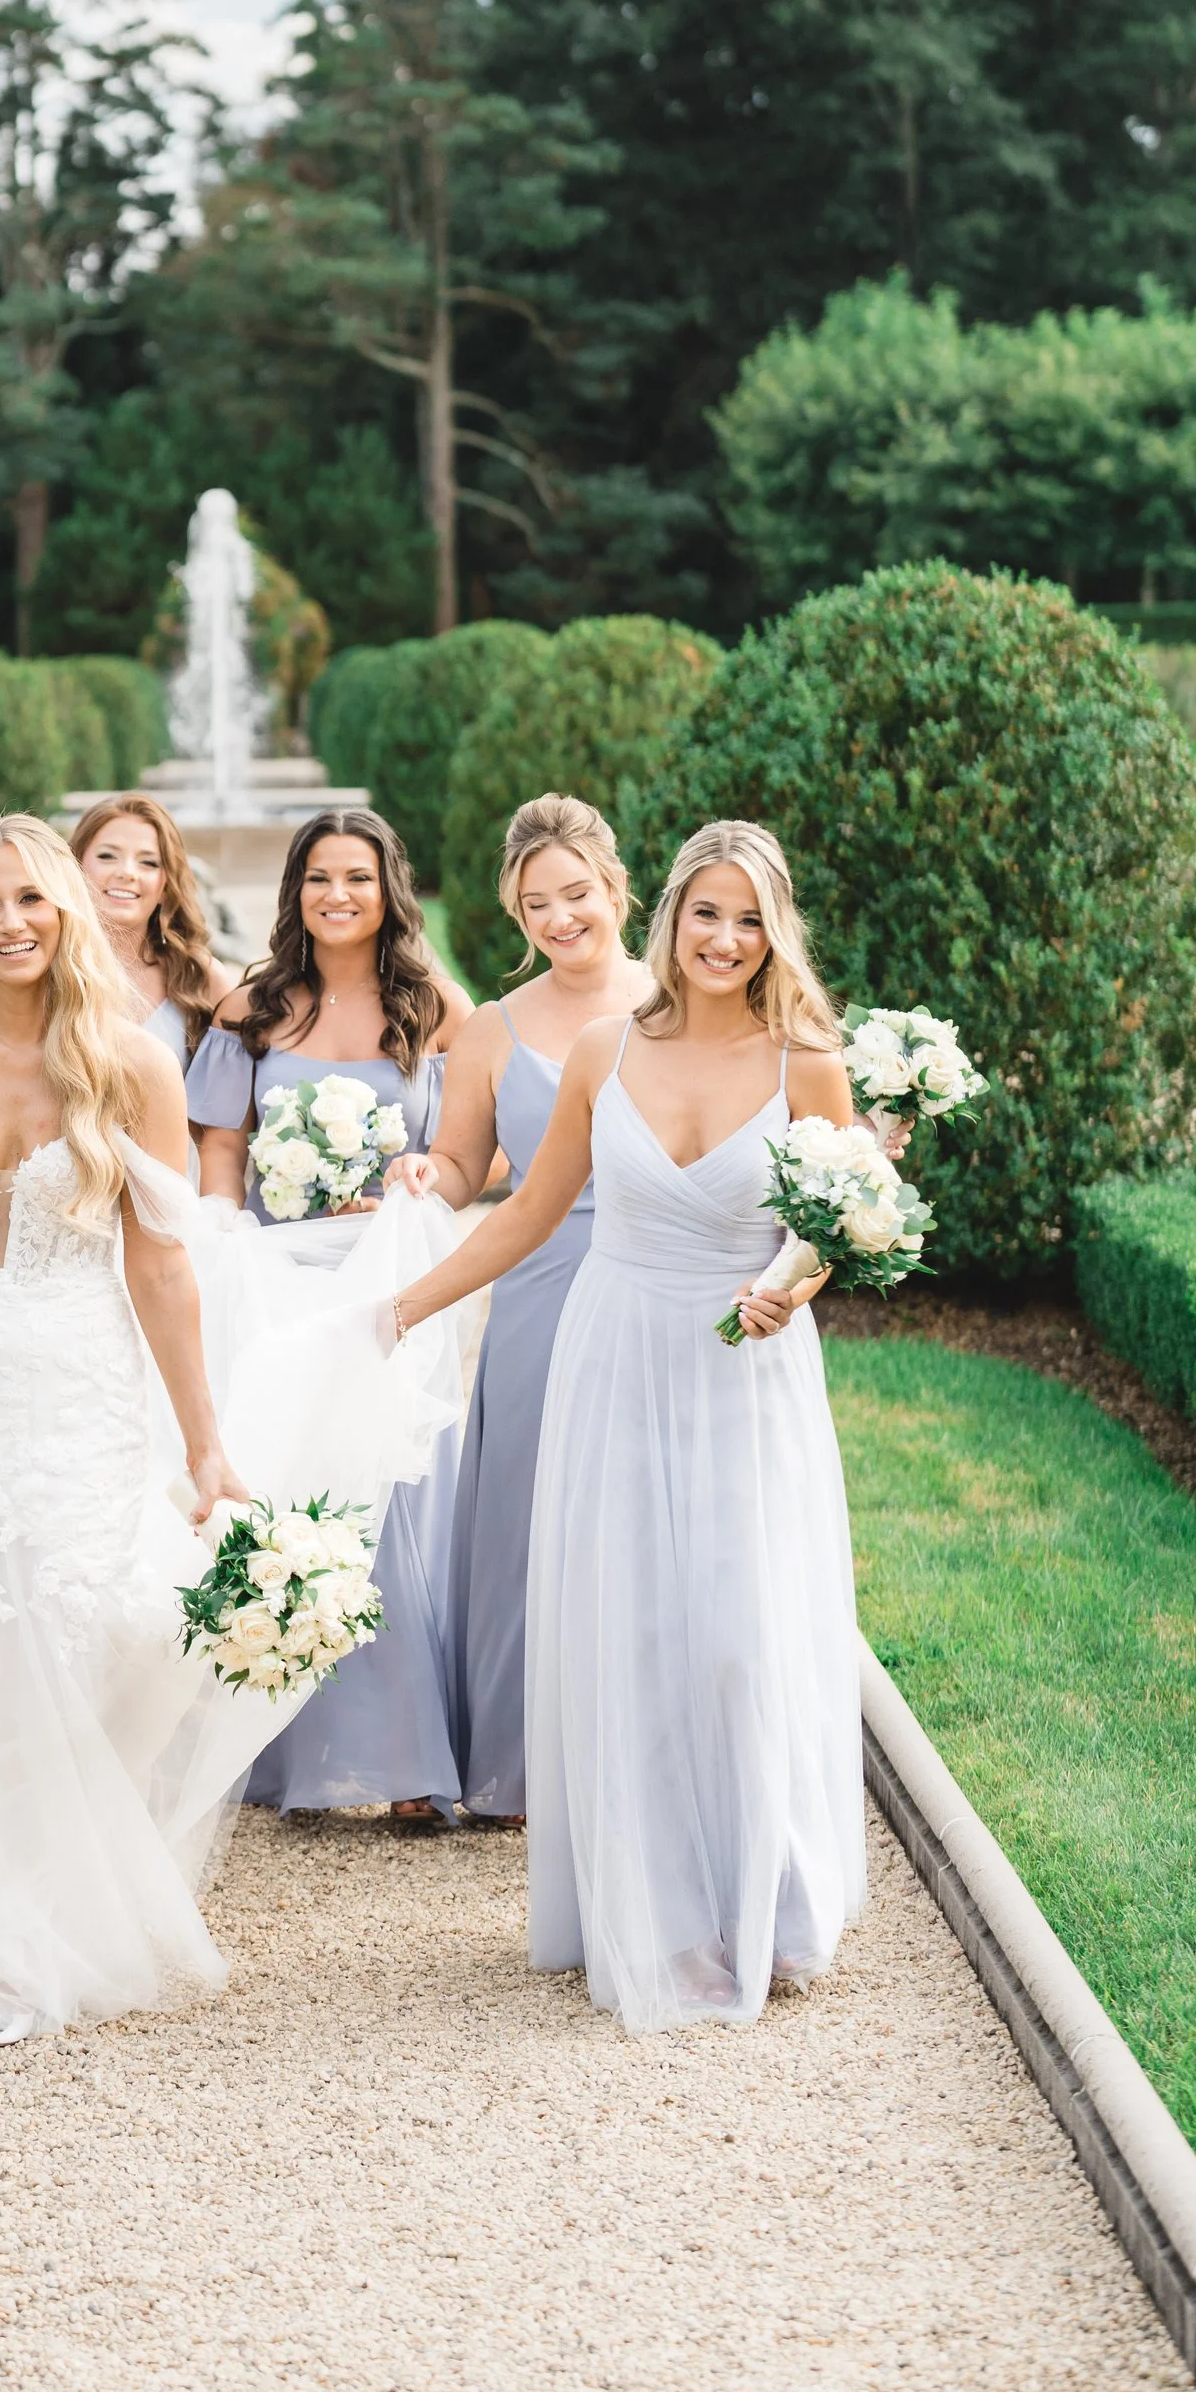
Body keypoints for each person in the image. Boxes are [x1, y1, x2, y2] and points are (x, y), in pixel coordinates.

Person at [0, 821, 412, 2047]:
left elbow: (163, 1271)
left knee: (77, 1637)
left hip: (76, 1393)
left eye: (32, 901)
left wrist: (205, 1444)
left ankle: (55, 1902)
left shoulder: (133, 1068)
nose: (12, 923)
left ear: (63, 912)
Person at [379, 820, 868, 2032]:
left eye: (749, 919)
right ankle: (649, 1913)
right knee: (636, 1630)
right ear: (672, 916)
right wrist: (400, 1307)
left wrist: (791, 1282)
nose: (725, 938)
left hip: (744, 1378)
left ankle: (763, 1899)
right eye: (707, 912)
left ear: (775, 931)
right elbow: (529, 1212)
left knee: (736, 1635)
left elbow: (841, 1218)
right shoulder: (604, 1051)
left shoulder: (805, 1059)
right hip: (614, 1357)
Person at [186, 810, 473, 1827]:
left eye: (356, 876)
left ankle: (400, 1756)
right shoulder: (253, 1007)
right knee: (287, 1482)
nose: (336, 895)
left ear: (390, 888)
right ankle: (279, 1748)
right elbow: (221, 1138)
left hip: (386, 1276)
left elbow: (481, 1152)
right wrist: (221, 1217)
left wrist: (423, 1170)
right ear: (294, 892)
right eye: (317, 878)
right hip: (278, 1272)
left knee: (384, 1494)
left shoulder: (436, 1007)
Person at [389, 795, 652, 1825]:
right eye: (534, 904)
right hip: (541, 1291)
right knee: (525, 1522)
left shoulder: (682, 999)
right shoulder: (493, 1030)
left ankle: (636, 1752)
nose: (558, 919)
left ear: (616, 888)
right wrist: (426, 1176)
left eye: (575, 895)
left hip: (652, 1279)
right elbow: (467, 1162)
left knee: (641, 1514)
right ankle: (518, 1764)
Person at [69, 792, 225, 1067]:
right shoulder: (45, 971)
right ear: (75, 866)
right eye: (108, 856)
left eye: (148, 862)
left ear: (165, 885)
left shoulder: (201, 977)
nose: (127, 872)